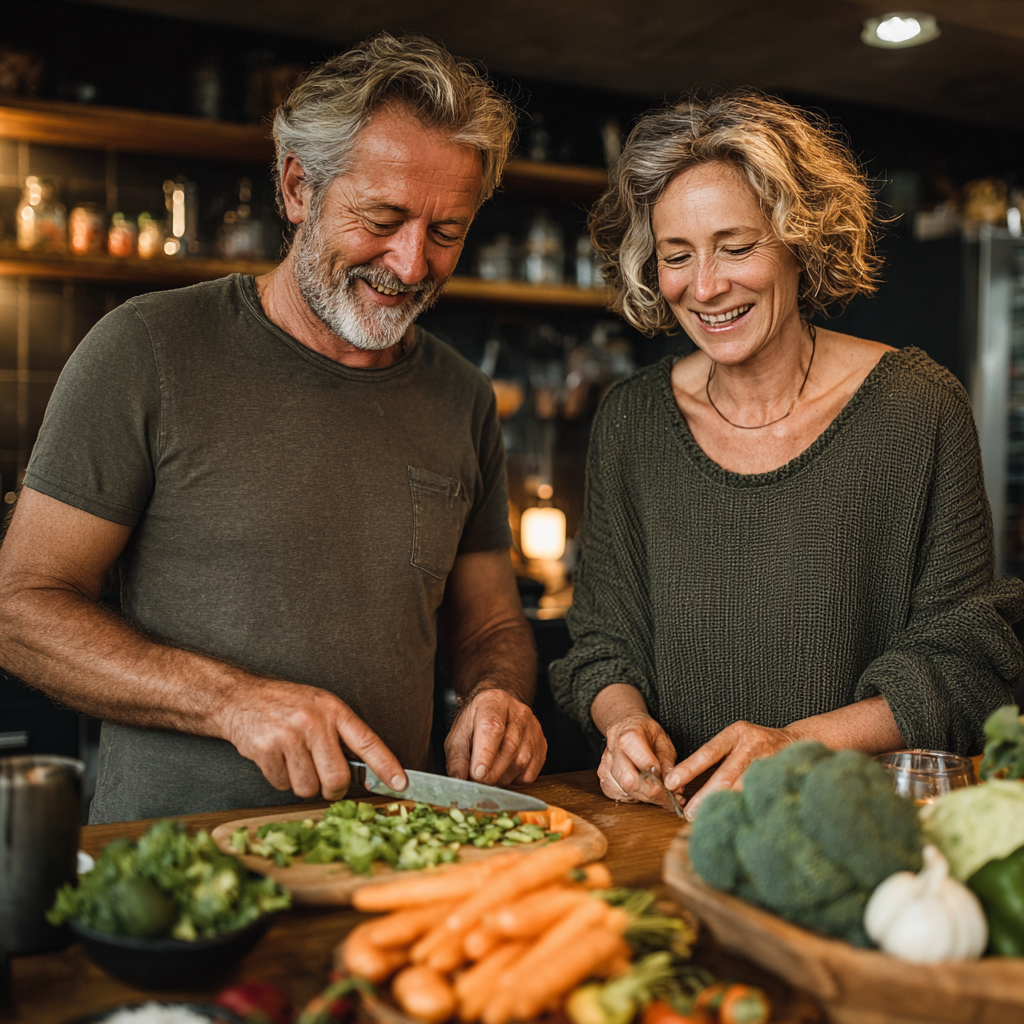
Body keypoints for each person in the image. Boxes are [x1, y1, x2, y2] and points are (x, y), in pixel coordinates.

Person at [0, 34, 547, 823]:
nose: (412, 262)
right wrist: (230, 702)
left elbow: (491, 619)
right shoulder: (148, 349)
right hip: (174, 864)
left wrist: (497, 695)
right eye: (382, 217)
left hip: (396, 855)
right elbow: (21, 610)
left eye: (446, 231)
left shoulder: (461, 395)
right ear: (297, 188)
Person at [550, 90, 1024, 820]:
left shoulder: (917, 407)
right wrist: (622, 726)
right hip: (671, 832)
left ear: (801, 239)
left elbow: (965, 657)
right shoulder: (631, 421)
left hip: (855, 829)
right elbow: (602, 644)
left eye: (736, 247)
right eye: (678, 256)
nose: (705, 287)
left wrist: (796, 744)